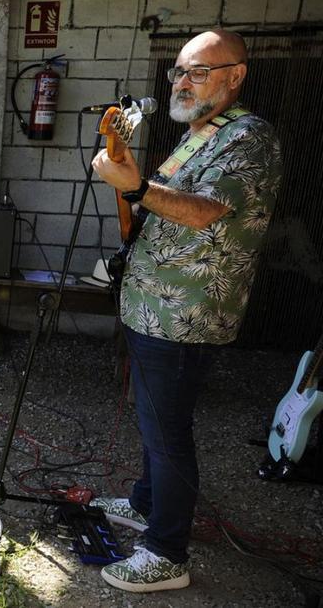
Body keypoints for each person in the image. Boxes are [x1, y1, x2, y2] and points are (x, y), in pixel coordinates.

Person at [89, 30, 282, 593]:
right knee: (154, 423)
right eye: (178, 71)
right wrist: (129, 182)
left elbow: (201, 213)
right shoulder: (199, 134)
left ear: (235, 76)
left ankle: (166, 551)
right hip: (150, 302)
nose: (182, 82)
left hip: (186, 313)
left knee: (168, 431)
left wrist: (137, 184)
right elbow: (154, 203)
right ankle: (145, 503)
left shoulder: (250, 139)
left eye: (197, 72)